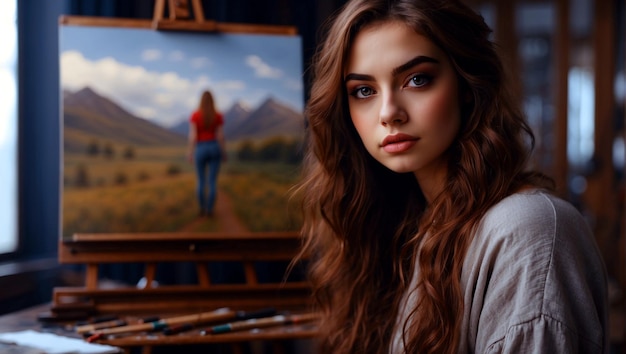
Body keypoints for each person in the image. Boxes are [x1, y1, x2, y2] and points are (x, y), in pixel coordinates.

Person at [295, 0, 609, 353]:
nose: (389, 113)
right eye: (364, 90)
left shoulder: (527, 230)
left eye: (417, 79)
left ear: (467, 85)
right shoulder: (412, 229)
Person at [188, 90, 226, 217]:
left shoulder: (195, 115)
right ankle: (210, 210)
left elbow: (193, 136)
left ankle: (202, 208)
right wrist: (223, 152)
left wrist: (190, 152)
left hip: (200, 148)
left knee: (201, 181)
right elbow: (220, 135)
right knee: (212, 181)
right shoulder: (218, 115)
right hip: (214, 147)